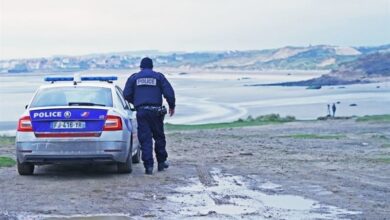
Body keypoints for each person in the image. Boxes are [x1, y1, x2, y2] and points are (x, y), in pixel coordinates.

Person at [123, 57, 175, 175]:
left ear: (141, 67)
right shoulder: (158, 77)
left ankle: (149, 166)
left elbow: (126, 94)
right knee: (159, 137)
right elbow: (169, 93)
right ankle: (161, 163)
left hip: (141, 112)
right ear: (152, 67)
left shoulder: (134, 78)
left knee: (145, 139)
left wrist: (136, 102)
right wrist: (172, 106)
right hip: (156, 112)